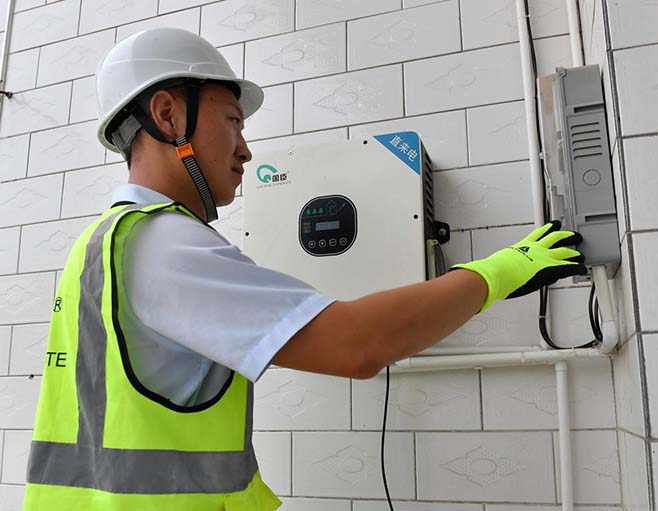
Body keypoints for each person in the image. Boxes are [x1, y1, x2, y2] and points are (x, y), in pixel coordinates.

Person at [23, 28, 587, 511]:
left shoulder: (100, 245)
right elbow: (358, 345)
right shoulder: (161, 242)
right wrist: (500, 271)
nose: (245, 150)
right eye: (232, 121)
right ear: (169, 114)